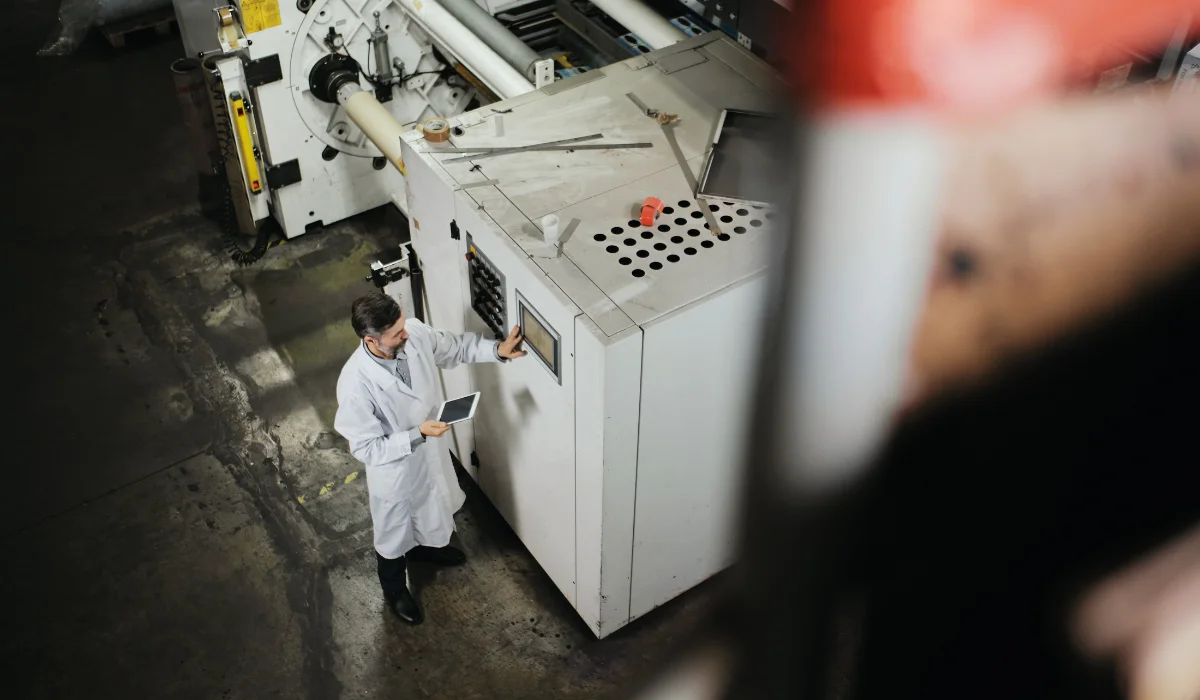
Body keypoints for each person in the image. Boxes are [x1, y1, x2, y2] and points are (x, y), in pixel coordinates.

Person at [334, 292, 525, 624]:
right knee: (393, 532)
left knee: (431, 505)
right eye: (396, 333)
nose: (405, 334)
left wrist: (496, 350)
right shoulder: (356, 385)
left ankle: (423, 549)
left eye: (402, 325)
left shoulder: (414, 334)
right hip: (395, 470)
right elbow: (365, 448)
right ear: (372, 340)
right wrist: (416, 435)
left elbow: (455, 347)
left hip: (428, 450)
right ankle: (394, 590)